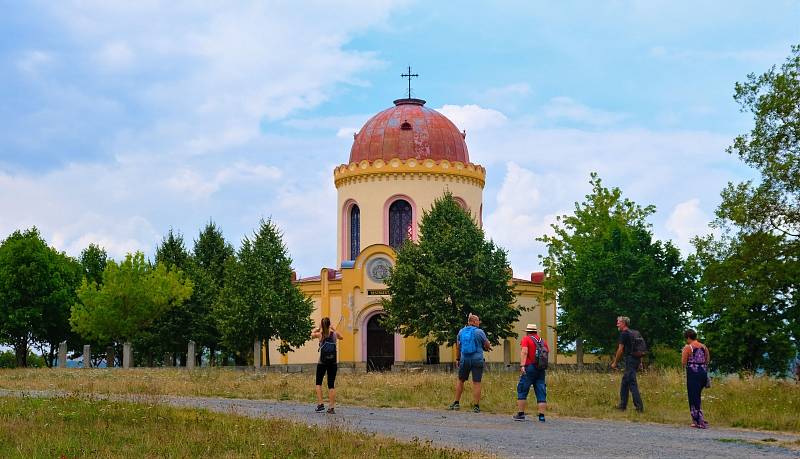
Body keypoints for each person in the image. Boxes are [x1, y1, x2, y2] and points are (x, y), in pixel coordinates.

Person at [448, 313, 491, 413]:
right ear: (474, 322)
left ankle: (456, 402)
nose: (479, 323)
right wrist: (487, 346)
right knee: (476, 382)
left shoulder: (461, 331)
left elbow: (458, 346)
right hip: (477, 360)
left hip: (464, 359)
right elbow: (487, 345)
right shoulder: (479, 332)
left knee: (460, 380)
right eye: (478, 321)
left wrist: (458, 359)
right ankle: (476, 406)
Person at [514, 323, 549, 422]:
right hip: (541, 368)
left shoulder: (526, 339)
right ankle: (541, 416)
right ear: (536, 332)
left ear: (527, 332)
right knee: (541, 389)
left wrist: (522, 365)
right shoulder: (542, 341)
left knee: (522, 389)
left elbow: (524, 351)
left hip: (530, 367)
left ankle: (521, 414)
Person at [311, 317, 343, 414]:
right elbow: (341, 337)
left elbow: (311, 335)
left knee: (318, 383)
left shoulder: (320, 334)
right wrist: (333, 328)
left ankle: (321, 404)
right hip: (333, 362)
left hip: (322, 362)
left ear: (322, 325)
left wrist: (317, 328)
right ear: (329, 324)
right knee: (331, 385)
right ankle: (331, 407)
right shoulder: (334, 334)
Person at [610, 316, 643, 412]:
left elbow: (620, 350)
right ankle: (622, 405)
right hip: (636, 359)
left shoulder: (624, 334)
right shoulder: (634, 333)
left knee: (632, 383)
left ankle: (639, 408)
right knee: (625, 382)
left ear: (623, 323)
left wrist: (615, 362)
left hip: (630, 360)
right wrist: (640, 362)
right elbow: (639, 349)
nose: (617, 324)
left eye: (618, 322)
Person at [681, 329, 710, 428]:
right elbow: (707, 360)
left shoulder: (688, 348)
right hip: (703, 372)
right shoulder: (704, 347)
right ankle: (699, 418)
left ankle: (697, 421)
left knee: (693, 397)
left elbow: (683, 362)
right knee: (697, 396)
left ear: (688, 337)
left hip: (693, 373)